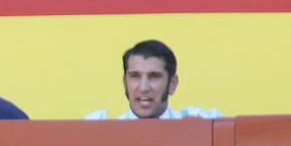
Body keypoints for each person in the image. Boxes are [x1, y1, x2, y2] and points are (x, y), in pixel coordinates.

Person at [84, 40, 220, 120]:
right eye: (135, 76)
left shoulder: (200, 127)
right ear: (125, 83)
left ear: (172, 84)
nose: (143, 88)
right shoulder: (99, 131)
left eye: (154, 76)